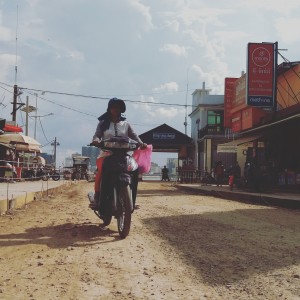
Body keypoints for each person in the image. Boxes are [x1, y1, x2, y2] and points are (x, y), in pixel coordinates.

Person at [90, 98, 147, 209]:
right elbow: (97, 135)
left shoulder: (126, 124)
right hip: (107, 154)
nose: (116, 109)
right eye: (113, 107)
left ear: (121, 109)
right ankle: (97, 198)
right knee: (101, 172)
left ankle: (132, 200)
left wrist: (141, 143)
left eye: (118, 107)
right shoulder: (102, 123)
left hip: (123, 154)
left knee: (134, 170)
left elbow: (134, 136)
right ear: (109, 109)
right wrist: (96, 140)